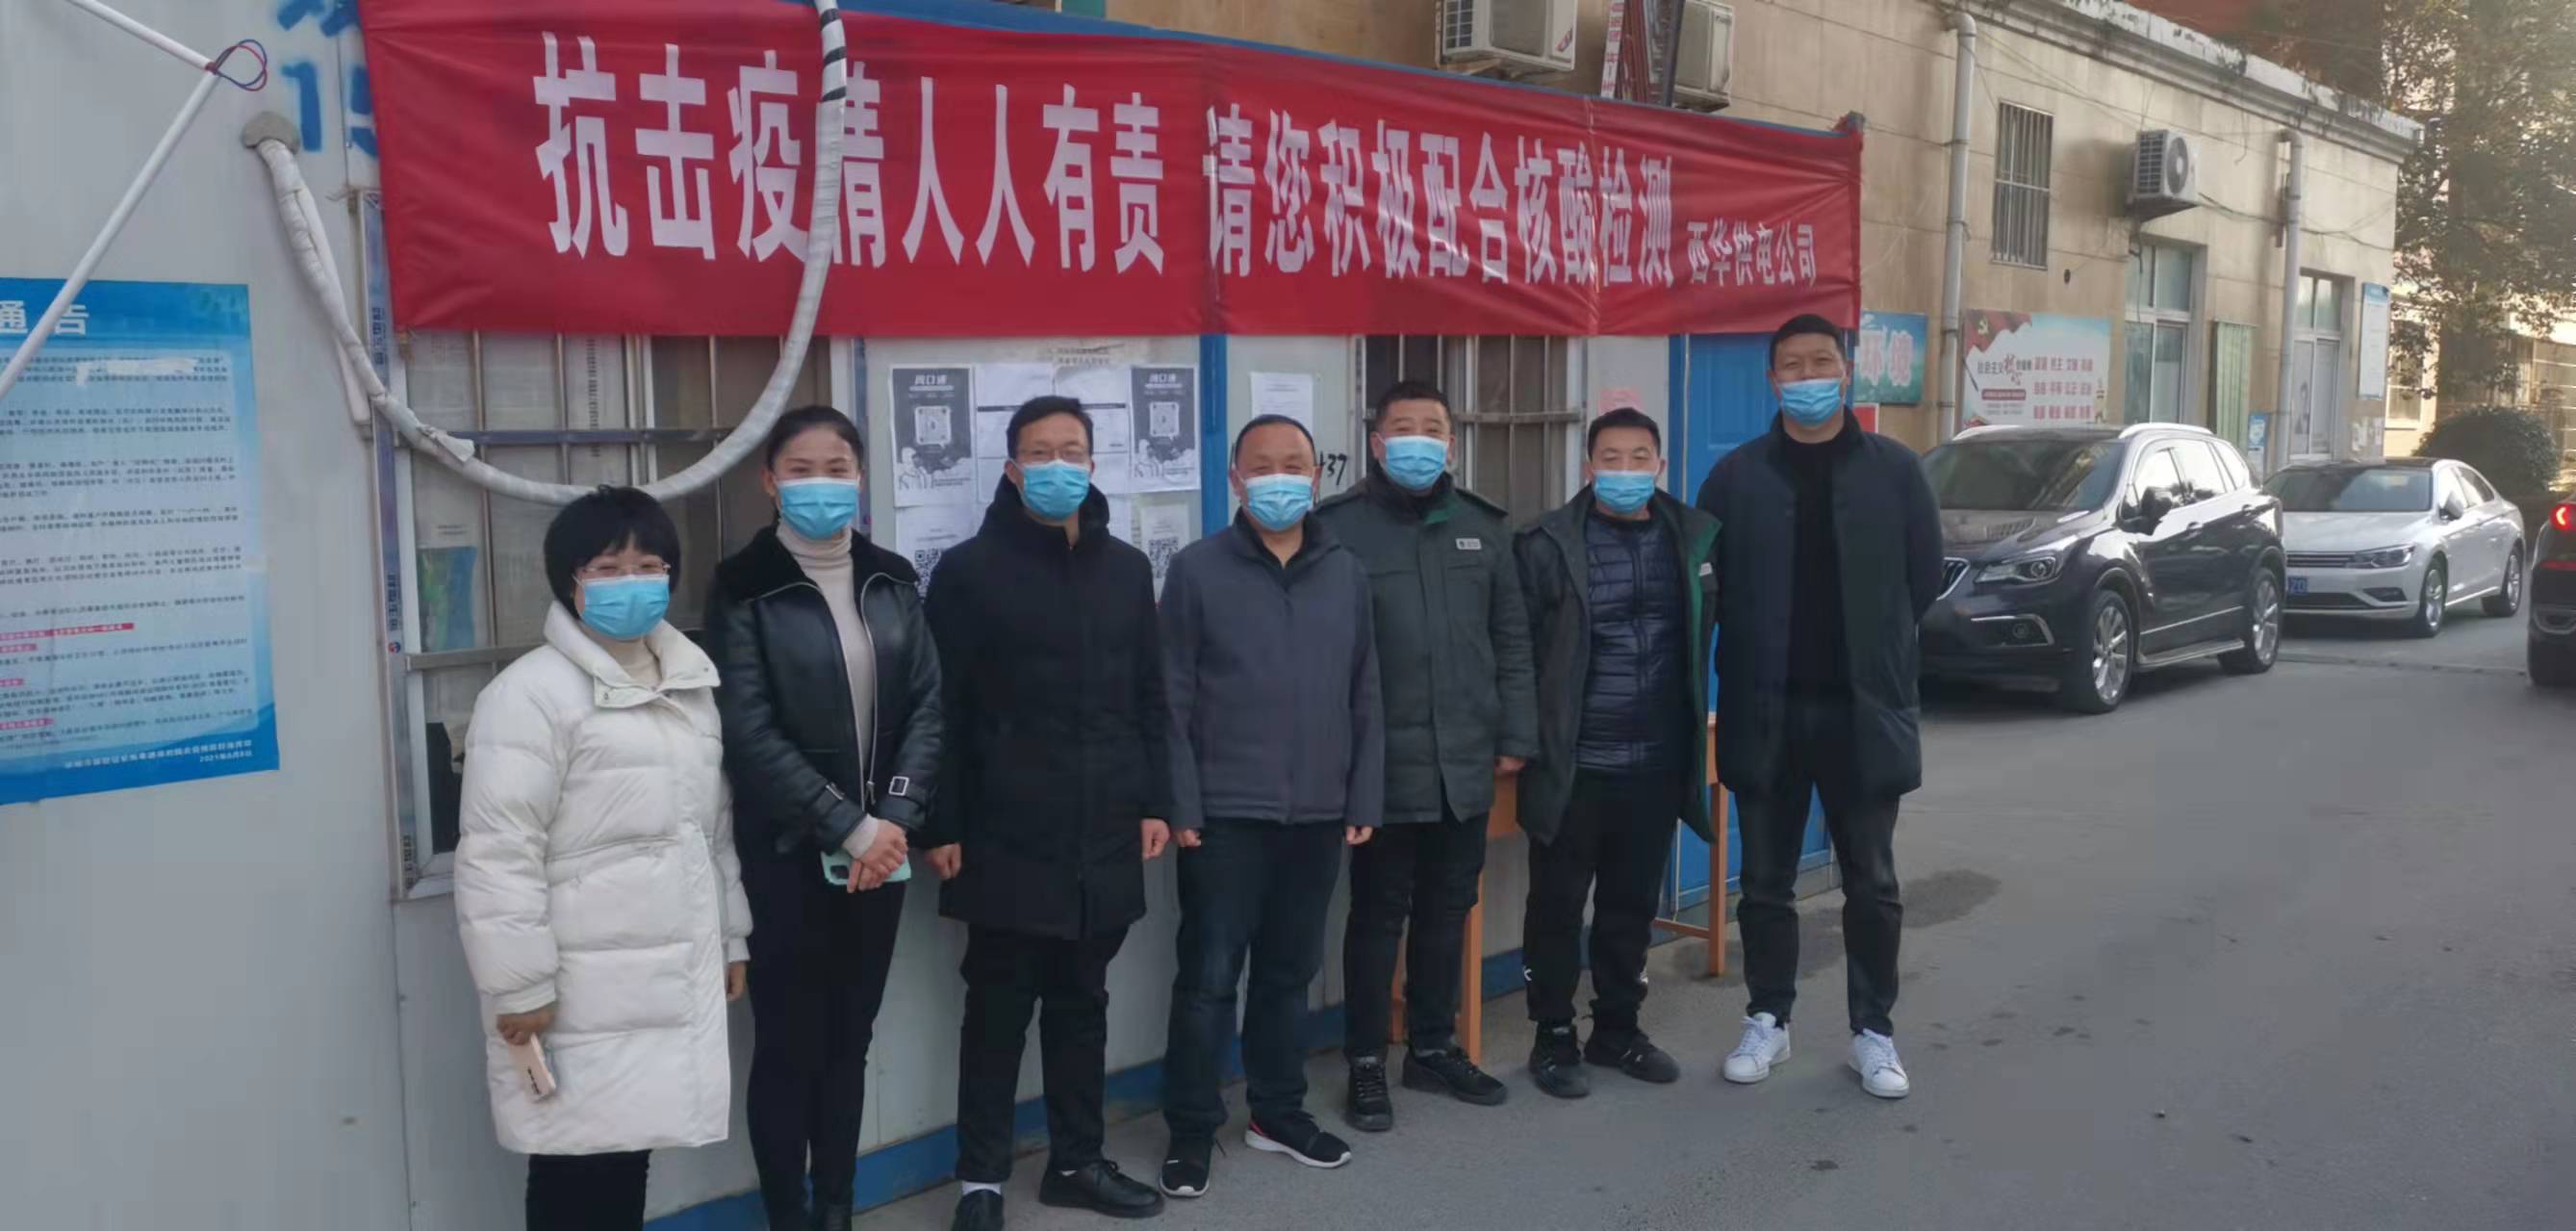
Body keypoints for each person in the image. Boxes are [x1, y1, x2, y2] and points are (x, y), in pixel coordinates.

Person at [452, 486, 752, 1231]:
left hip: (659, 979)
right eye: (608, 567)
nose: (631, 581)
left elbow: (710, 829)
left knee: (625, 1153)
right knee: (572, 1164)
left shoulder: (688, 683)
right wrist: (518, 984)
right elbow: (498, 852)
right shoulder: (528, 696)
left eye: (648, 565)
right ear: (570, 580)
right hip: (576, 987)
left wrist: (730, 935)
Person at [921, 396, 1171, 1231]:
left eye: (1072, 449)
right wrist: (940, 821)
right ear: (1011, 467)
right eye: (1039, 450)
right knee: (996, 1010)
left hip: (1104, 825)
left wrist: (1154, 800)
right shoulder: (968, 571)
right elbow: (941, 708)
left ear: (1093, 464)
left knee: (1082, 1003)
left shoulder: (1126, 569)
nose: (1057, 463)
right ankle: (980, 1181)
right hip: (1003, 830)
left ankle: (1076, 1161)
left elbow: (1148, 695)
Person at [1692, 315, 1944, 1101]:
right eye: (1792, 366)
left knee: (1871, 880)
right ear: (1772, 380)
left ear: (1846, 371)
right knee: (1764, 880)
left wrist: (1875, 649)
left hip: (1861, 713)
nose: (1807, 377)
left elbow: (1923, 577)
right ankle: (1768, 1016)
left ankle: (1873, 1030)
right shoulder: (1735, 477)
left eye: (1820, 362)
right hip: (1766, 709)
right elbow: (1707, 588)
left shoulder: (1895, 472)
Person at [705, 405, 945, 1231]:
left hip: (881, 855)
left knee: (851, 1038)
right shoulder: (742, 586)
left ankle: (837, 1207)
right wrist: (850, 826)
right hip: (788, 854)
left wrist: (894, 816)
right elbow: (747, 730)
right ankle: (790, 1214)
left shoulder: (891, 578)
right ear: (769, 482)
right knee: (788, 1046)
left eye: (836, 468)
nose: (820, 484)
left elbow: (927, 705)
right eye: (800, 469)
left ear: (859, 476)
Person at [1159, 414, 1384, 1199]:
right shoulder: (1196, 570)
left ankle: (1276, 1111)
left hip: (1317, 812)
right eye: (1262, 464)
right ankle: (1191, 1128)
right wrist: (1181, 801)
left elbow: (1365, 689)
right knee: (1208, 978)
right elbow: (1171, 697)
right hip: (1223, 814)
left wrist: (1363, 791)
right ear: (1235, 478)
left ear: (1316, 477)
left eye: (1294, 464)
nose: (1279, 477)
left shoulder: (1344, 571)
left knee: (1289, 974)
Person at [1314, 380, 1537, 1131]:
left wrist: (1515, 734)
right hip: (1382, 764)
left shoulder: (1483, 527)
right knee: (1378, 914)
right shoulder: (1336, 528)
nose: (1417, 439)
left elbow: (1510, 639)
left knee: (1448, 907)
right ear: (1377, 443)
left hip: (1463, 759)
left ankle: (1433, 1045)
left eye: (1431, 427)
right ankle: (1365, 1060)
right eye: (1401, 427)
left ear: (1450, 442)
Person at [1513, 408, 1721, 1100]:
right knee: (1556, 907)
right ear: (1588, 466)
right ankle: (1552, 1036)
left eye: (1638, 458)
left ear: (1660, 466)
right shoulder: (1545, 543)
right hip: (1574, 764)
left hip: (1655, 761)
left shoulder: (1692, 540)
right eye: (1611, 457)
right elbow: (1517, 651)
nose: (1625, 470)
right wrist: (1519, 740)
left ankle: (1617, 1029)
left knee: (1630, 906)